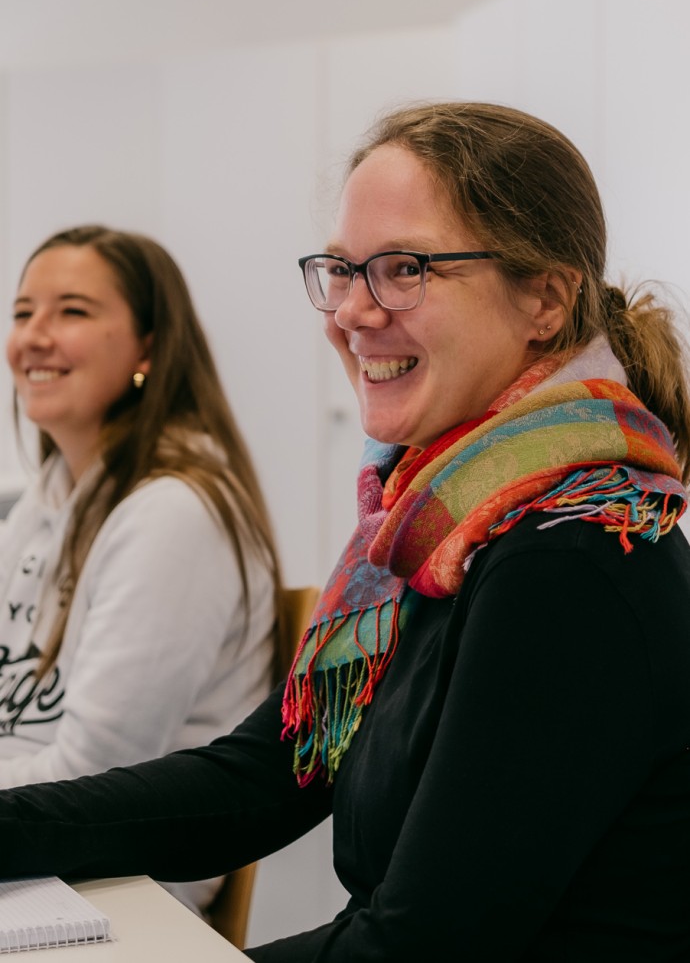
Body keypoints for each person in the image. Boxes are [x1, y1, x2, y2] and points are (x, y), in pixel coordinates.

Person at [0, 104, 688, 961]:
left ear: (544, 298)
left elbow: (416, 948)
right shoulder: (435, 522)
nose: (352, 312)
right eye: (341, 270)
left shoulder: (571, 555)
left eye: (405, 270)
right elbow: (263, 778)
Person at [0, 224, 283, 917]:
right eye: (23, 312)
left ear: (148, 349)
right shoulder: (47, 500)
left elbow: (95, 779)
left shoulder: (174, 513)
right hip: (32, 852)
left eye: (72, 311)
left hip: (117, 890)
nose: (34, 336)